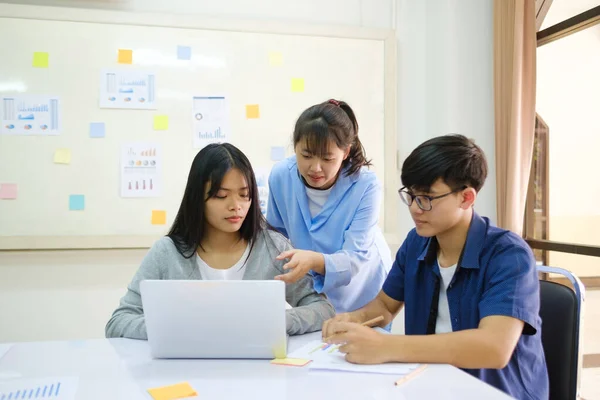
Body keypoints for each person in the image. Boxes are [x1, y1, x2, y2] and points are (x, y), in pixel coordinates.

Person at [322, 134, 549, 400]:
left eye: (427, 198)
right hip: (431, 385)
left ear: (466, 198)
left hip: (495, 392)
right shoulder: (417, 242)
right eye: (411, 195)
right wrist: (353, 319)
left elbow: (494, 348)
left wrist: (386, 346)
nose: (415, 209)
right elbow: (384, 307)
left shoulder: (508, 255)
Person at [106, 143, 334, 339]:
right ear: (198, 199)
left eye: (244, 195)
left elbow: (323, 309)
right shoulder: (168, 252)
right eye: (221, 196)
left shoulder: (273, 247)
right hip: (185, 378)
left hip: (257, 374)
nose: (236, 205)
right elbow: (118, 322)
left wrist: (279, 320)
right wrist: (171, 329)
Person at [267, 99, 392, 313]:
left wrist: (313, 260)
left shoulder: (366, 186)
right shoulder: (281, 176)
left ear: (345, 153)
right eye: (306, 155)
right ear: (295, 146)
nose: (315, 168)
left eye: (327, 158)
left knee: (359, 340)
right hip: (313, 293)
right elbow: (273, 236)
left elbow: (356, 257)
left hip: (363, 285)